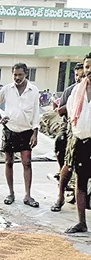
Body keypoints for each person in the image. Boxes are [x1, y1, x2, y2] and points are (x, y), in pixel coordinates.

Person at [0, 62, 40, 207]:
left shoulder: (33, 90)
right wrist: (0, 119)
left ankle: (28, 195)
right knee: (9, 162)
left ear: (26, 74)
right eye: (15, 74)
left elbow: (36, 113)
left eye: (20, 75)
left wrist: (35, 133)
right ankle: (11, 193)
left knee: (27, 163)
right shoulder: (7, 89)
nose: (17, 78)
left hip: (26, 131)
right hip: (10, 130)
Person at [51, 63, 85, 211]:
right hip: (72, 128)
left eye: (82, 75)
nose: (79, 78)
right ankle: (60, 195)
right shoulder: (71, 91)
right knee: (65, 155)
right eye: (77, 75)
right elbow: (61, 112)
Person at [64, 53, 91, 233]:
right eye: (87, 67)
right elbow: (71, 114)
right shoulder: (76, 90)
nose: (90, 70)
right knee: (80, 182)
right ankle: (81, 222)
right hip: (80, 142)